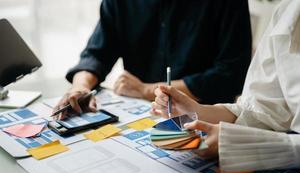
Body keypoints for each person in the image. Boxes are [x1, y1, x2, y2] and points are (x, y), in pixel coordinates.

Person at [151, 0, 300, 173]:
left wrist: (240, 144)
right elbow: (264, 107)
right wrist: (198, 111)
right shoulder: (287, 11)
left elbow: (229, 73)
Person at [53, 0, 252, 119]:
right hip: (138, 115)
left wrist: (146, 90)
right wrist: (80, 87)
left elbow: (231, 74)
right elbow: (96, 54)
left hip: (205, 117)